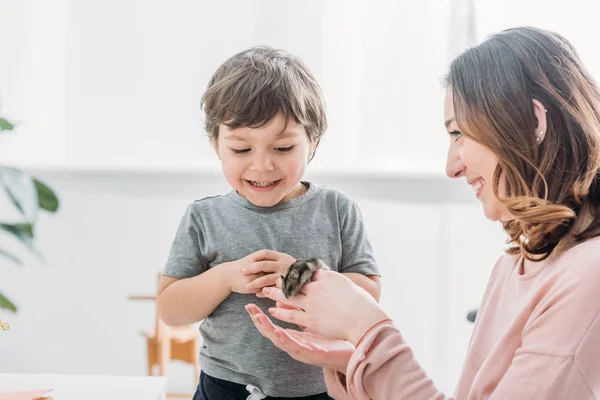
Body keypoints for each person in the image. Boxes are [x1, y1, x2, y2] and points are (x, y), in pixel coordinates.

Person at [246, 27, 600, 399]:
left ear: (533, 121)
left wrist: (370, 330)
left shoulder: (588, 274)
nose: (452, 167)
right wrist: (357, 361)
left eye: (460, 133)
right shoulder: (515, 266)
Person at [156, 46, 382, 400]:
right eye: (241, 150)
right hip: (225, 387)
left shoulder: (337, 209)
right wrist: (225, 277)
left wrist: (306, 276)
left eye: (282, 148)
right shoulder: (204, 217)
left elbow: (368, 295)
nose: (262, 166)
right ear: (216, 145)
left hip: (320, 388)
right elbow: (171, 308)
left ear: (312, 143)